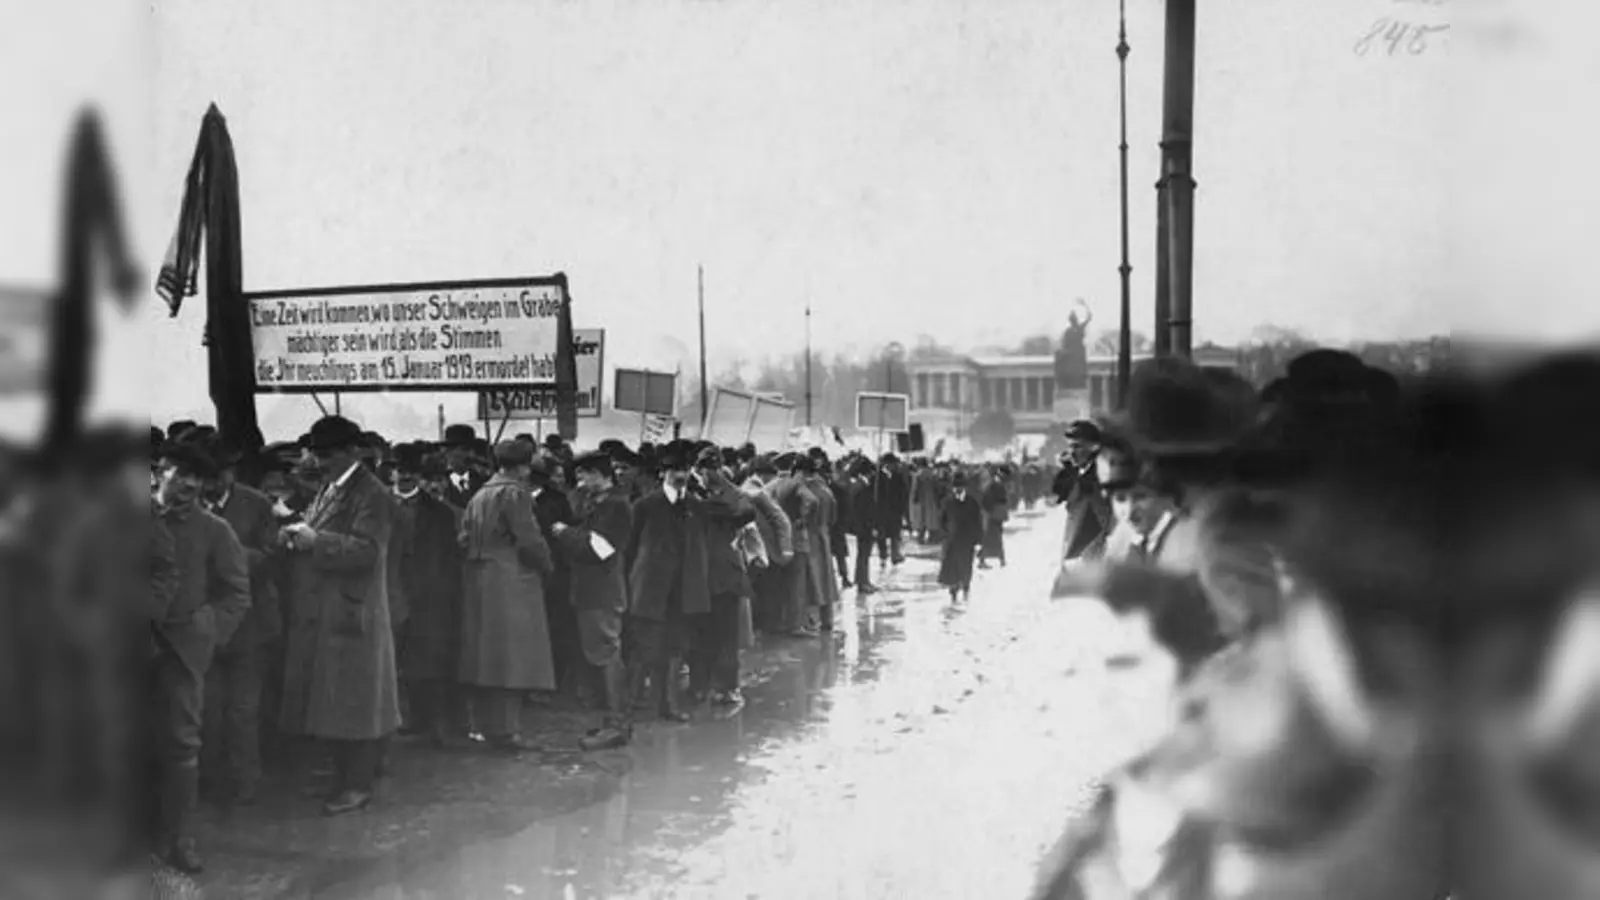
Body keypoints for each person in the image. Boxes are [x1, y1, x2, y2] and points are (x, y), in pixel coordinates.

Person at [276, 415, 401, 816]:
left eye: (327, 453)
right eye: (316, 452)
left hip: (353, 608)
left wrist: (316, 541)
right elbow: (319, 529)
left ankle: (358, 784)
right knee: (334, 699)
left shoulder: (372, 493)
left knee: (357, 702)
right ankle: (344, 778)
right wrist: (296, 531)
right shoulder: (332, 488)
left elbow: (368, 551)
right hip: (328, 608)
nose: (318, 459)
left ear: (352, 451)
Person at [152, 441, 251, 871]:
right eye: (181, 473)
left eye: (198, 478)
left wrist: (204, 630)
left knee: (181, 745)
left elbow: (237, 593)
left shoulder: (214, 530)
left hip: (180, 653)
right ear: (159, 471)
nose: (190, 484)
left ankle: (179, 841)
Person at [195, 439, 279, 807]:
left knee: (244, 712)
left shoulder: (256, 504)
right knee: (207, 710)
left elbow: (270, 556)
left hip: (251, 624)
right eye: (207, 476)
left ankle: (246, 783)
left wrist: (222, 554)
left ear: (232, 471)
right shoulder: (185, 504)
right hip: (204, 625)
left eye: (221, 473)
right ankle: (211, 783)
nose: (214, 482)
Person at [458, 439, 556, 754]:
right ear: (525, 466)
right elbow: (529, 539)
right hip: (512, 581)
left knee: (485, 658)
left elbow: (462, 537)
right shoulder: (515, 493)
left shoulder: (479, 494)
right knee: (513, 658)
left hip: (479, 580)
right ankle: (506, 731)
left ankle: (482, 726)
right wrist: (548, 566)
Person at [551, 451, 635, 751]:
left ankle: (617, 724)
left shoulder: (616, 506)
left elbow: (600, 548)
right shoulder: (597, 503)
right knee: (600, 653)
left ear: (601, 474)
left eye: (585, 475)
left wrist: (565, 534)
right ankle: (612, 720)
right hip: (589, 590)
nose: (582, 482)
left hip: (602, 591)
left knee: (607, 654)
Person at [936, 473, 984, 601]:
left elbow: (978, 522)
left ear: (965, 488)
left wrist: (979, 540)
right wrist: (945, 534)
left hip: (967, 541)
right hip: (952, 541)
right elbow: (941, 520)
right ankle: (953, 592)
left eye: (960, 486)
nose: (958, 489)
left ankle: (966, 588)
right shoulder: (947, 502)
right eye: (956, 487)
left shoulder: (972, 502)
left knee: (966, 565)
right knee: (952, 566)